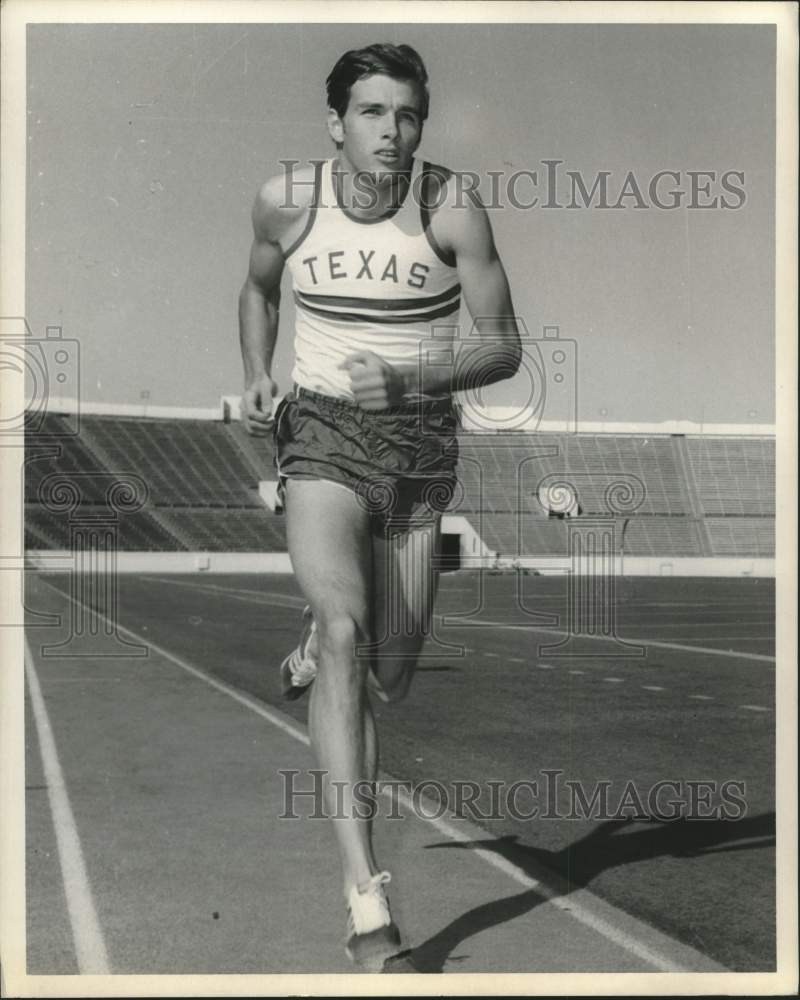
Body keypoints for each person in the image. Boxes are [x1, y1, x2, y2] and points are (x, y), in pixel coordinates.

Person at [239, 42, 521, 971]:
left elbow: (503, 347)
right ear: (336, 122)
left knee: (393, 675)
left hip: (418, 443)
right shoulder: (290, 197)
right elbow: (258, 288)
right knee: (349, 635)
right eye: (371, 112)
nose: (391, 131)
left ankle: (327, 630)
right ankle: (366, 900)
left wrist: (411, 379)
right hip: (319, 431)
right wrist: (255, 374)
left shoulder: (451, 207)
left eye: (406, 115)